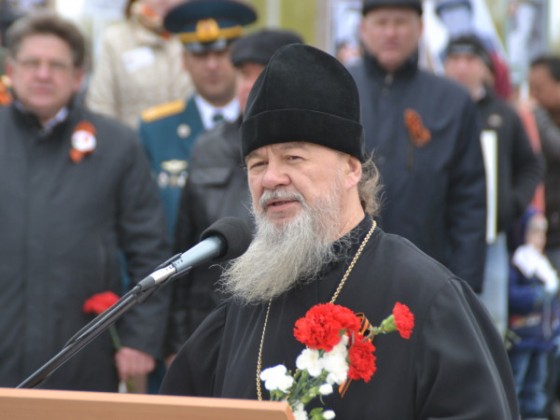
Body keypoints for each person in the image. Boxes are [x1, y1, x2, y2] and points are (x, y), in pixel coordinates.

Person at [160, 43, 519, 419]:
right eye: (257, 164)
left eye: (293, 157)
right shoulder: (243, 306)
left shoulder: (428, 297)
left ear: (351, 169)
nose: (271, 178)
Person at [0, 12, 170, 391]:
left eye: (56, 65)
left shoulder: (117, 145)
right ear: (11, 70)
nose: (43, 74)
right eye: (31, 63)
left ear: (78, 76)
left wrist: (140, 339)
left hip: (83, 357)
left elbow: (149, 249)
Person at [167, 29, 303, 356]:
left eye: (261, 75)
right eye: (243, 74)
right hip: (215, 331)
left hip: (290, 329)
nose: (247, 86)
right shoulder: (208, 146)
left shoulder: (315, 152)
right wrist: (178, 345)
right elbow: (185, 250)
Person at [347, 0, 487, 292]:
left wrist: (465, 287)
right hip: (346, 274)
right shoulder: (339, 89)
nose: (391, 32)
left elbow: (469, 200)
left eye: (400, 22)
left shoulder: (451, 101)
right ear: (363, 29)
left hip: (427, 277)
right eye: (381, 22)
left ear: (420, 28)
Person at [444, 34, 543, 337]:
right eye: (454, 59)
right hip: (440, 232)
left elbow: (531, 165)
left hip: (491, 237)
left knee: (490, 325)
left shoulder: (504, 114)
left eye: (470, 60)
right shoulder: (433, 109)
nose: (462, 67)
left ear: (485, 68)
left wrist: (511, 204)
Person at [138, 0, 256, 239]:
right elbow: (140, 220)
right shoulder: (155, 131)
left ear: (240, 57)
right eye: (200, 54)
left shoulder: (261, 125)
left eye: (221, 52)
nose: (211, 65)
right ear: (184, 61)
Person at [86, 0, 192, 129]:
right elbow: (100, 106)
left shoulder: (194, 36)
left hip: (190, 140)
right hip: (132, 139)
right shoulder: (116, 40)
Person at [508, 208, 560, 419]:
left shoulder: (544, 265)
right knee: (516, 384)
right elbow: (511, 295)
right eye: (535, 232)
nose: (540, 238)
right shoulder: (519, 261)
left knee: (537, 388)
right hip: (523, 336)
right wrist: (535, 295)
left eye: (543, 233)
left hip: (542, 338)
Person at [529, 56, 560, 274]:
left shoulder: (538, 119)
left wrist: (536, 117)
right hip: (543, 229)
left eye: (539, 88)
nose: (533, 96)